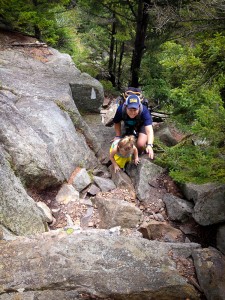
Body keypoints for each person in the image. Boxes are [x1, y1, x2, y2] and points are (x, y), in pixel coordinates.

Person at [113, 94, 154, 159]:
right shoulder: (121, 109)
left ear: (139, 107)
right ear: (126, 107)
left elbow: (149, 130)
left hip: (142, 124)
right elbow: (116, 122)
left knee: (140, 144)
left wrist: (149, 145)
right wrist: (118, 136)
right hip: (128, 124)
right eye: (130, 110)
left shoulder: (144, 111)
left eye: (135, 110)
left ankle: (139, 153)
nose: (132, 112)